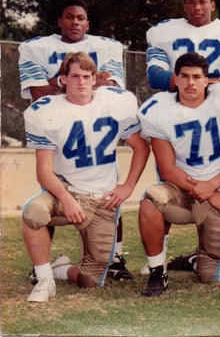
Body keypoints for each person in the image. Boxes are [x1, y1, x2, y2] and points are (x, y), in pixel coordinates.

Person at [17, 0, 132, 281]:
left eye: (81, 18)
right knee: (49, 200)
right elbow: (39, 94)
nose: (75, 23)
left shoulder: (107, 46)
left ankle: (114, 256)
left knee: (108, 195)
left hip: (94, 132)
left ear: (88, 23)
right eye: (69, 17)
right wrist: (68, 83)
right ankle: (41, 265)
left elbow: (112, 86)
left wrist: (61, 81)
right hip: (60, 134)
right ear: (60, 21)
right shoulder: (36, 47)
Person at [21, 52, 149, 302]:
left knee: (90, 280)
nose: (81, 81)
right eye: (75, 76)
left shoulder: (114, 104)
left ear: (94, 80)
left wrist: (128, 186)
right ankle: (44, 280)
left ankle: (60, 269)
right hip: (65, 190)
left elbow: (142, 147)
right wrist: (66, 199)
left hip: (102, 198)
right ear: (63, 79)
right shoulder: (47, 111)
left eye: (87, 76)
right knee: (33, 212)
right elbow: (44, 171)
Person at [145, 0, 220, 274]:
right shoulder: (163, 31)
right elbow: (155, 75)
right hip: (176, 107)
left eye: (202, 2)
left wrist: (201, 86)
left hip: (215, 107)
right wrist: (192, 84)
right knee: (168, 181)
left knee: (219, 162)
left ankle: (217, 254)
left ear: (213, 5)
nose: (197, 8)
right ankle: (160, 254)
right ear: (184, 5)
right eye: (191, 2)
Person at [137, 52, 220, 297]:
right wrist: (203, 190)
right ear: (175, 79)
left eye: (197, 77)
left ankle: (194, 260)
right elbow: (167, 169)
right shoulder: (159, 109)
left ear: (207, 80)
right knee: (150, 200)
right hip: (180, 188)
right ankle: (157, 272)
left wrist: (213, 186)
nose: (190, 83)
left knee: (208, 277)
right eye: (184, 76)